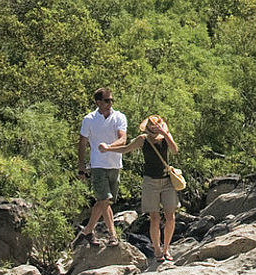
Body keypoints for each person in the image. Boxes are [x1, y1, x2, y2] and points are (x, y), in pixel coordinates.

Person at [75, 87, 127, 245]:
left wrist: (109, 147)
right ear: (98, 102)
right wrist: (81, 166)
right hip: (97, 164)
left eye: (111, 100)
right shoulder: (89, 119)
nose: (110, 103)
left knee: (104, 202)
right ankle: (113, 235)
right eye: (106, 100)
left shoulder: (119, 117)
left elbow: (123, 139)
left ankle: (87, 231)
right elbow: (82, 142)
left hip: (115, 164)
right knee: (104, 199)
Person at [131, 114, 180, 265]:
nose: (154, 128)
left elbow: (175, 150)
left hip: (166, 181)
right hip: (150, 181)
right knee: (154, 217)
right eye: (152, 126)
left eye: (157, 125)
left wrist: (165, 134)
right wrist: (108, 149)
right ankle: (157, 250)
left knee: (170, 215)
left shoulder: (165, 137)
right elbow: (126, 148)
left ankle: (166, 249)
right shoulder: (142, 139)